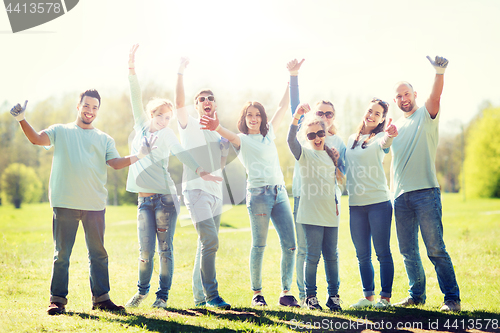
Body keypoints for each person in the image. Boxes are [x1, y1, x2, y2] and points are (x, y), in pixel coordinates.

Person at [10, 90, 156, 315]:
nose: (90, 111)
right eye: (87, 106)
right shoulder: (60, 130)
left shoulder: (104, 138)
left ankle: (101, 299)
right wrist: (21, 120)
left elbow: (116, 163)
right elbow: (37, 139)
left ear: (98, 110)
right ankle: (57, 300)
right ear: (78, 106)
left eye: (95, 107)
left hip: (95, 205)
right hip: (65, 202)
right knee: (62, 254)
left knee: (98, 254)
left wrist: (140, 155)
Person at [123, 45, 222, 309]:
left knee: (165, 250)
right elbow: (135, 97)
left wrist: (201, 170)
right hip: (144, 200)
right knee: (145, 252)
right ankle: (142, 291)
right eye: (160, 116)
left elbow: (183, 153)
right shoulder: (142, 127)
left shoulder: (168, 134)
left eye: (169, 117)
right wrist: (131, 68)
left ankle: (162, 296)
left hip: (166, 199)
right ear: (151, 115)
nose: (165, 121)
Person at [200, 84, 301, 308]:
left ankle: (286, 293)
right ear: (244, 118)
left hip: (280, 192)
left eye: (257, 115)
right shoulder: (241, 139)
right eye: (249, 115)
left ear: (262, 119)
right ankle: (257, 293)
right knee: (259, 245)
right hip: (258, 195)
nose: (253, 118)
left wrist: (290, 80)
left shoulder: (269, 134)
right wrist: (216, 127)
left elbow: (283, 106)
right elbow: (224, 132)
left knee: (291, 245)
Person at [391, 56, 461, 312]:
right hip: (400, 197)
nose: (402, 99)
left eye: (406, 93)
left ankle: (452, 298)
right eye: (398, 96)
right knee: (408, 251)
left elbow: (436, 98)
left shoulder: (425, 115)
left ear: (414, 94)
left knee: (435, 248)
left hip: (425, 193)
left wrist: (439, 72)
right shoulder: (395, 126)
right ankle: (416, 295)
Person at [287, 58, 346, 308]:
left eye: (320, 132)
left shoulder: (334, 150)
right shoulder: (304, 151)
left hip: (330, 211)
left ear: (327, 130)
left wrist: (336, 198)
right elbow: (292, 140)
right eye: (311, 134)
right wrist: (295, 117)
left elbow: (340, 181)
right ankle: (310, 296)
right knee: (310, 256)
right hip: (308, 210)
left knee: (331, 256)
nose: (316, 137)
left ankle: (334, 296)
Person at [175, 57, 231, 309]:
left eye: (210, 98)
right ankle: (212, 296)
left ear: (215, 104)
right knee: (210, 241)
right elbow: (178, 103)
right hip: (196, 190)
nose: (206, 101)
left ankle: (198, 297)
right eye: (201, 99)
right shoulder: (189, 124)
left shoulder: (218, 129)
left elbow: (219, 163)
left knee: (204, 243)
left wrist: (223, 150)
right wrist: (180, 72)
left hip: (215, 193)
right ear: (196, 106)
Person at [344, 98, 397, 309]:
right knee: (362, 255)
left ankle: (385, 298)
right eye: (370, 111)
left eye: (377, 114)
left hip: (378, 203)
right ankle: (368, 298)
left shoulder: (382, 137)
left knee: (382, 252)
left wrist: (391, 134)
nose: (372, 115)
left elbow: (386, 144)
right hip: (356, 205)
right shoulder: (350, 140)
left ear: (382, 118)